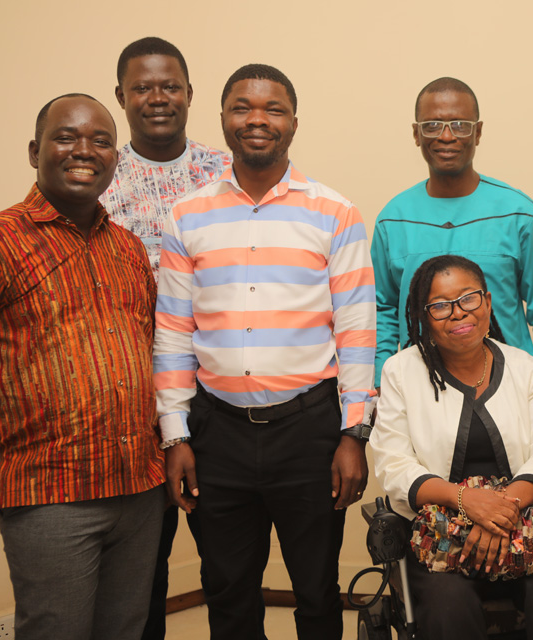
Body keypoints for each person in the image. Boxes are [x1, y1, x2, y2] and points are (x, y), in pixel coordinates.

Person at [153, 63, 376, 640]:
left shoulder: (335, 213)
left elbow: (356, 331)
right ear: (223, 119)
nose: (257, 120)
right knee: (228, 594)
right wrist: (175, 435)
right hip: (215, 433)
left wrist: (353, 434)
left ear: (294, 124)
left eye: (273, 109)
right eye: (242, 107)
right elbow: (173, 332)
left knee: (317, 593)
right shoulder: (186, 216)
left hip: (309, 431)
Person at [0, 94, 165, 640]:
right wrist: (5, 401)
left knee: (126, 630)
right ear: (35, 151)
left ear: (116, 157)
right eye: (66, 137)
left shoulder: (128, 249)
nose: (84, 151)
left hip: (137, 487)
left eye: (101, 140)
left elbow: (145, 347)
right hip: (47, 493)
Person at [371, 254, 533, 640]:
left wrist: (503, 507)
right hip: (442, 532)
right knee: (446, 607)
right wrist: (465, 500)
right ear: (423, 315)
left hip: (530, 520)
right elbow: (393, 462)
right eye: (440, 306)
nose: (457, 313)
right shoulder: (401, 372)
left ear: (487, 302)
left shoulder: (527, 369)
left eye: (468, 299)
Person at [100, 36, 234, 640]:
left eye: (170, 85)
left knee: (226, 559)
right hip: (129, 401)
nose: (158, 97)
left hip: (215, 397)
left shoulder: (227, 171)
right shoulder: (97, 178)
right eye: (143, 87)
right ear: (122, 97)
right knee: (139, 572)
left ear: (188, 93)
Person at [371, 77, 533, 425]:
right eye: (432, 125)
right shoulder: (393, 219)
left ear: (478, 132)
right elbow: (382, 310)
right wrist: (381, 381)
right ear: (416, 134)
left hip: (511, 391)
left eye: (461, 126)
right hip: (421, 394)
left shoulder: (519, 213)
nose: (447, 136)